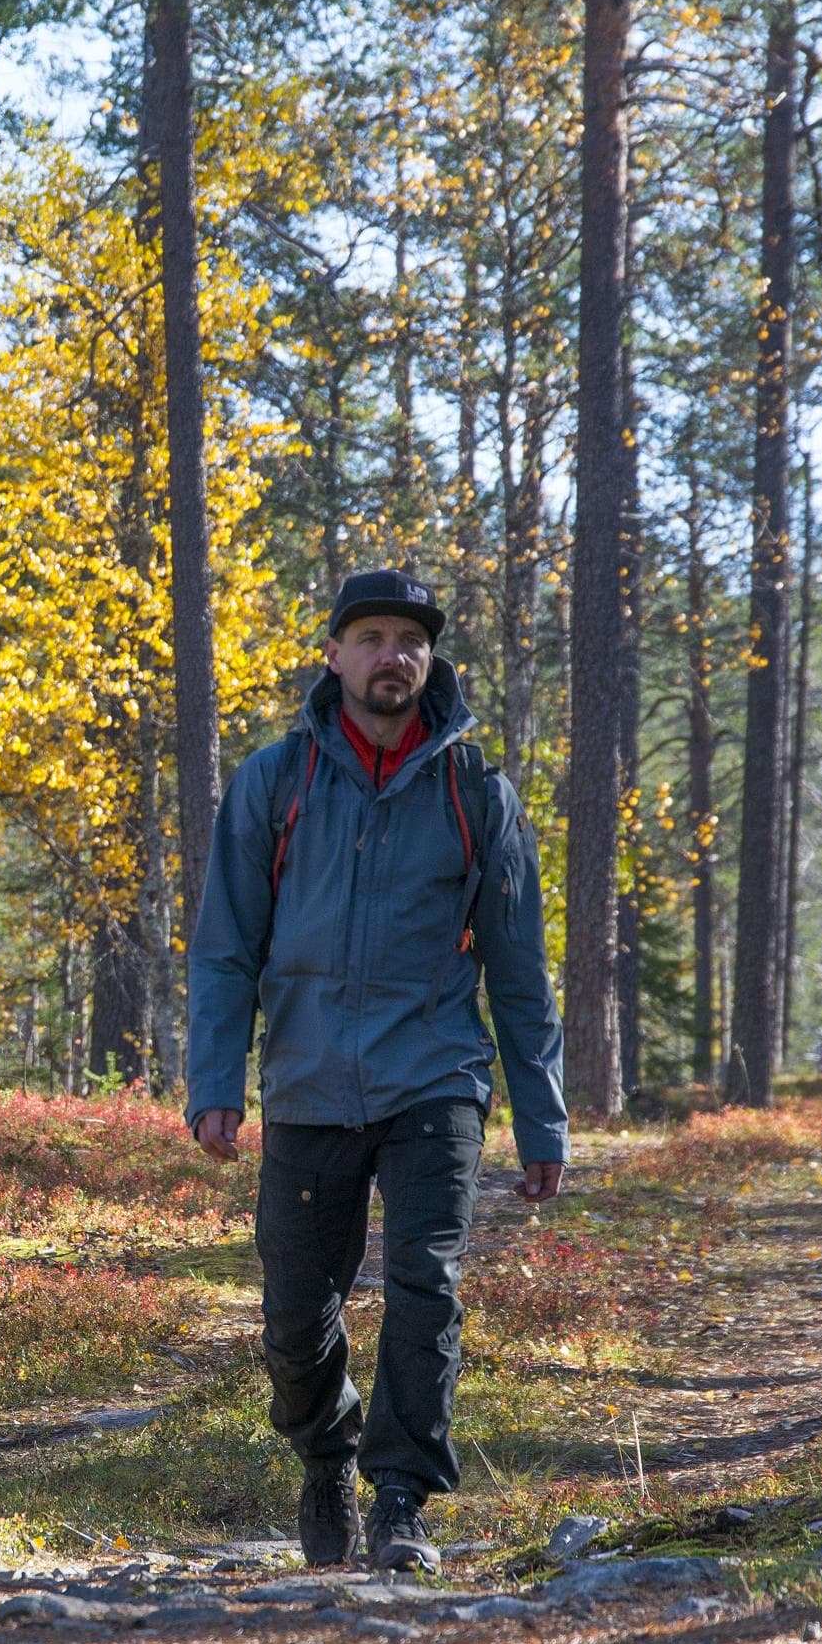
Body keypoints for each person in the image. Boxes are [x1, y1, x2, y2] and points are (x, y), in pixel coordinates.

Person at [185, 569, 570, 1573]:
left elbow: (521, 970)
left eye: (409, 639)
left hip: (435, 1074)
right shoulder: (276, 781)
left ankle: (401, 1497)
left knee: (423, 1283)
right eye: (370, 637)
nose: (390, 655)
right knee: (294, 1311)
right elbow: (226, 944)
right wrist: (216, 1079)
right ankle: (326, 1457)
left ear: (430, 659)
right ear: (334, 655)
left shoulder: (475, 788)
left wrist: (543, 1123)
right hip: (309, 1078)